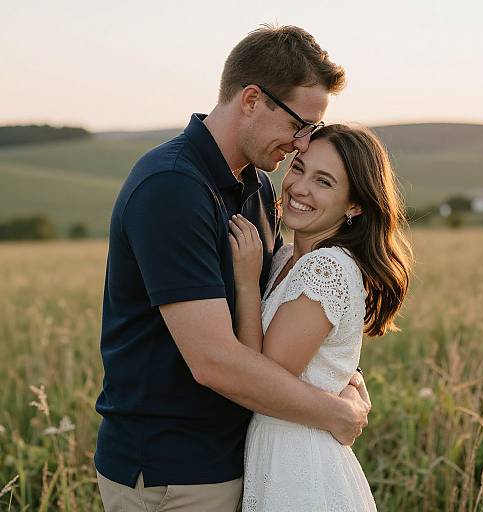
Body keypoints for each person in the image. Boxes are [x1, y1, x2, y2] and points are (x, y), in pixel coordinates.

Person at [94, 25, 371, 512]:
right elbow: (214, 360)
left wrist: (337, 374)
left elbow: (280, 324)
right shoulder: (173, 188)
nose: (302, 144)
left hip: (238, 457)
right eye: (299, 124)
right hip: (171, 472)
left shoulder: (259, 191)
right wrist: (335, 412)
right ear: (251, 100)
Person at [228, 124, 413, 511]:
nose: (299, 187)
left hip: (300, 464)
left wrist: (246, 284)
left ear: (355, 205)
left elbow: (261, 379)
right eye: (298, 168)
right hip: (276, 450)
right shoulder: (285, 258)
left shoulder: (326, 268)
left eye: (324, 182)